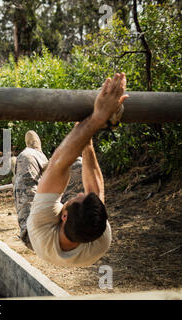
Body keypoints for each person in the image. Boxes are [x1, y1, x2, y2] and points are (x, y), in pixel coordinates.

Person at [27, 72, 129, 267]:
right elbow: (95, 191)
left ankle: (36, 153)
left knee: (28, 160)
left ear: (63, 217)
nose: (80, 192)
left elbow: (60, 162)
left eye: (77, 197)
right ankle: (47, 166)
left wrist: (98, 118)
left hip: (31, 235)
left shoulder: (41, 225)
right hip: (69, 231)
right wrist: (87, 139)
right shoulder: (99, 234)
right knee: (80, 162)